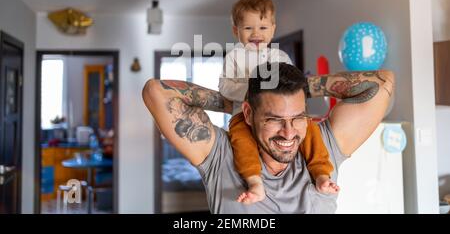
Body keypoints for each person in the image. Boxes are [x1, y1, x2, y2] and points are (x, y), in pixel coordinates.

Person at [142, 62, 394, 213]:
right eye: (274, 119)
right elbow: (156, 92)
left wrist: (305, 86)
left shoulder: (323, 145)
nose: (289, 132)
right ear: (249, 114)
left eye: (297, 117)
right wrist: (234, 103)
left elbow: (381, 83)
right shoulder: (219, 154)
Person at [219, 0, 337, 204]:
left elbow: (291, 86)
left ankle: (321, 174)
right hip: (243, 117)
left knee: (310, 129)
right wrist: (253, 88)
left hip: (283, 114)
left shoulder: (279, 57)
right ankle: (255, 182)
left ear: (273, 30)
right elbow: (225, 86)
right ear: (236, 31)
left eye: (263, 28)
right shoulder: (234, 57)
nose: (256, 34)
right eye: (248, 28)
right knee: (240, 139)